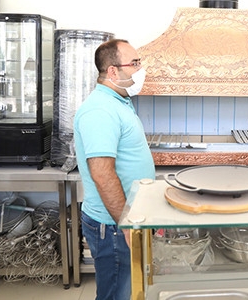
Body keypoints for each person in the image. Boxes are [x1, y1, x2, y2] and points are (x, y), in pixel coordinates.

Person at [74, 39, 155, 300]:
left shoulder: (118, 101)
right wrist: (127, 225)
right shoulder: (100, 110)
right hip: (114, 226)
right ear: (112, 71)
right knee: (116, 293)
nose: (140, 70)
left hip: (125, 221)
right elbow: (102, 174)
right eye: (134, 64)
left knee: (130, 289)